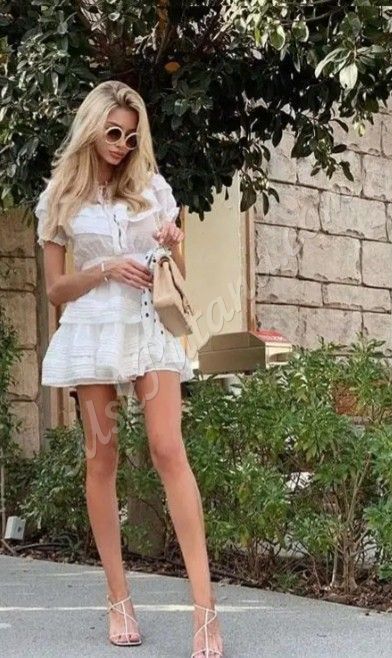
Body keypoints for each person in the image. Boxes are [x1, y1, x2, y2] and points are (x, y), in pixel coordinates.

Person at [35, 79, 224, 658]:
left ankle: (206, 610)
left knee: (169, 449)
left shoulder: (153, 187)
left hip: (148, 324)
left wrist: (171, 240)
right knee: (102, 458)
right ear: (93, 128)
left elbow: (179, 271)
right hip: (93, 327)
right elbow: (55, 290)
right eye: (113, 132)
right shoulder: (59, 198)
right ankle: (118, 599)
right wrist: (107, 267)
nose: (122, 144)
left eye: (131, 136)